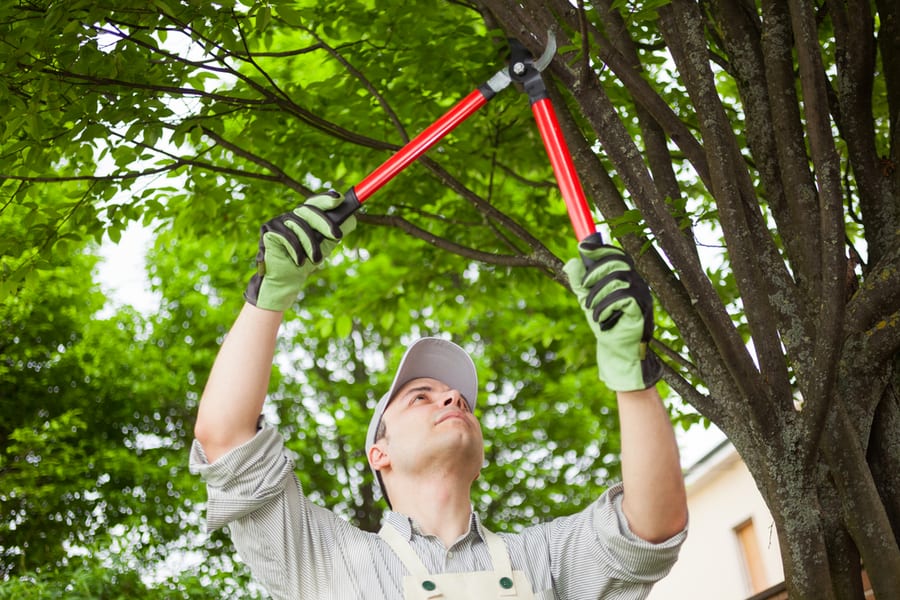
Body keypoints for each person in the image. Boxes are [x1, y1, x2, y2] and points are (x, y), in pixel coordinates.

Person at [190, 192, 688, 599]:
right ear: (377, 453)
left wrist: (632, 373)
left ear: (481, 458)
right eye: (421, 397)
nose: (452, 400)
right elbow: (226, 439)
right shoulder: (325, 561)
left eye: (461, 402)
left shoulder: (544, 559)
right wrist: (270, 294)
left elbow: (652, 527)